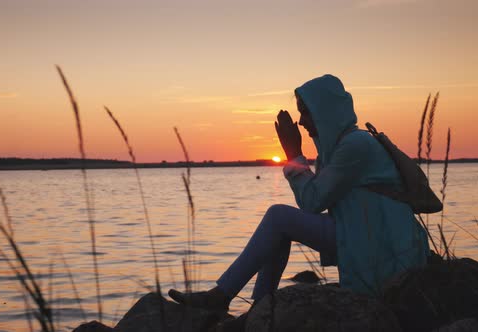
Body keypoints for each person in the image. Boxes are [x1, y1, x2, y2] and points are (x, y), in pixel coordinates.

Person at [169, 74, 430, 314]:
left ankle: (224, 298)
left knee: (278, 217)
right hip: (363, 236)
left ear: (325, 112)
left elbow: (312, 202)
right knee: (280, 226)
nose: (302, 121)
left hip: (379, 245)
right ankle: (261, 309)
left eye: (306, 113)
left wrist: (293, 155)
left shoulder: (355, 146)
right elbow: (316, 201)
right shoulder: (342, 146)